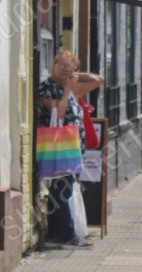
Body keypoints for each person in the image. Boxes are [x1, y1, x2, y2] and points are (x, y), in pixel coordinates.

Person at [37, 51, 104, 248]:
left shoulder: (71, 84)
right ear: (53, 66)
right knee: (62, 189)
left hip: (71, 147)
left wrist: (74, 75)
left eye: (70, 66)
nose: (65, 69)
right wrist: (67, 89)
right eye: (62, 65)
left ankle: (57, 233)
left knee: (61, 189)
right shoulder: (48, 87)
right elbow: (57, 112)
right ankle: (67, 234)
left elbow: (98, 79)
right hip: (58, 147)